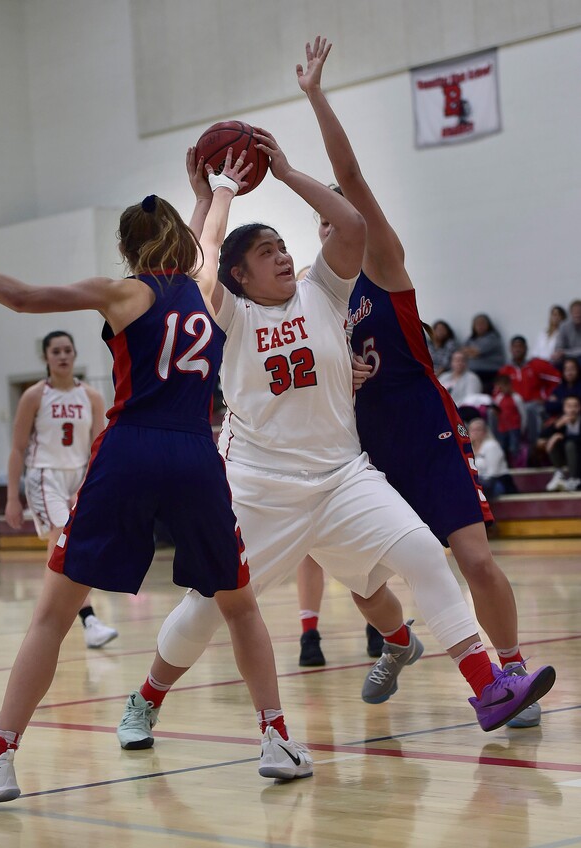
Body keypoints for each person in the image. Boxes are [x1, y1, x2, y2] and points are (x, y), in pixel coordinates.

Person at [115, 42, 555, 753]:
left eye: (283, 247)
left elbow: (352, 225)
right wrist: (213, 195)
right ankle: (146, 697)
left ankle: (488, 687)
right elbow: (199, 271)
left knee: (424, 552)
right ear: (240, 274)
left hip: (344, 474)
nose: (284, 255)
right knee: (207, 607)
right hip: (263, 488)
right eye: (266, 252)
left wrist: (285, 171)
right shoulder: (231, 315)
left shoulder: (325, 289)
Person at [0, 189, 313, 806]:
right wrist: (213, 190)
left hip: (130, 450)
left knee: (52, 616)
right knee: (240, 607)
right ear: (183, 239)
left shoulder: (122, 292)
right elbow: (207, 234)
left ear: (126, 247)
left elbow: (22, 298)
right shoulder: (203, 286)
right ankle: (276, 740)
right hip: (195, 452)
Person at [294, 36, 554, 729]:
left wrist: (315, 98)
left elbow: (350, 175)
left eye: (339, 217)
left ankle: (511, 667)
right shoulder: (315, 302)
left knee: (474, 558)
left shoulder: (384, 265)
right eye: (322, 223)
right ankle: (398, 641)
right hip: (360, 447)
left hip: (424, 427)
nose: (333, 228)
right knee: (364, 581)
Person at [6, 330, 118, 649]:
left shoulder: (92, 397)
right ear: (46, 357)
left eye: (68, 350)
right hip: (45, 476)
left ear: (75, 354)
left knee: (67, 546)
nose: (63, 356)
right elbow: (18, 448)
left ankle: (49, 618)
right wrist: (12, 497)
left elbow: (98, 450)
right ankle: (89, 620)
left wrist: (87, 485)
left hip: (79, 476)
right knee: (62, 536)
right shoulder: (34, 396)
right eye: (56, 351)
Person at [496, 335, 561, 449]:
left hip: (534, 405)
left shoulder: (537, 364)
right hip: (513, 406)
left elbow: (557, 380)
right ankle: (504, 449)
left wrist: (546, 396)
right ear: (510, 349)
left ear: (526, 348)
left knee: (530, 409)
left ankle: (534, 448)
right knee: (495, 412)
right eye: (515, 347)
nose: (517, 349)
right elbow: (497, 392)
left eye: (520, 346)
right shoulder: (505, 370)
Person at [467, 417, 517, 501]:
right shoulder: (469, 448)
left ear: (485, 432)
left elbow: (492, 474)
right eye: (472, 430)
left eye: (478, 430)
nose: (475, 432)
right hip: (478, 483)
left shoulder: (492, 446)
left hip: (497, 483)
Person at [543, 395, 581, 492]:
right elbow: (543, 435)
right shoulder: (560, 420)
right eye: (569, 406)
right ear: (564, 408)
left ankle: (574, 478)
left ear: (579, 407)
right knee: (554, 442)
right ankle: (559, 474)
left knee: (570, 444)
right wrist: (556, 427)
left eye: (575, 406)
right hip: (566, 456)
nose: (572, 409)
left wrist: (563, 437)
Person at [461, 314, 506, 394]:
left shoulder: (492, 337)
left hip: (489, 374)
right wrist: (471, 352)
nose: (480, 326)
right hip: (472, 373)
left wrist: (471, 352)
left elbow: (476, 352)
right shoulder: (471, 339)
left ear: (488, 325)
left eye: (482, 323)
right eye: (477, 324)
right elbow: (462, 351)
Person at [490, 373, 525, 465]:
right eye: (500, 387)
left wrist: (522, 428)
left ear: (509, 385)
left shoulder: (517, 398)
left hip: (514, 427)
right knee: (502, 447)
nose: (501, 389)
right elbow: (496, 413)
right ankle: (505, 465)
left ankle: (516, 465)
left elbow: (522, 414)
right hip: (502, 428)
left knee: (514, 448)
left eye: (503, 386)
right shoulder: (499, 398)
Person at [552, 300, 581, 364]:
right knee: (555, 361)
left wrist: (565, 353)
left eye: (579, 311)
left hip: (577, 357)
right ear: (571, 313)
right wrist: (558, 353)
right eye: (575, 312)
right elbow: (559, 345)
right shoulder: (564, 326)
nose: (577, 314)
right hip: (567, 358)